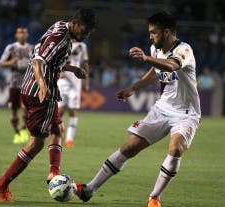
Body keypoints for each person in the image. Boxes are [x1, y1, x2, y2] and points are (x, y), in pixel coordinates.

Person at [76, 11, 201, 207]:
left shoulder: (184, 50)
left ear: (167, 32)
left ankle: (154, 198)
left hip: (186, 113)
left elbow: (171, 66)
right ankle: (89, 189)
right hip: (162, 108)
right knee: (129, 147)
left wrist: (144, 58)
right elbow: (155, 71)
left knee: (175, 147)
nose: (150, 36)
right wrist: (133, 88)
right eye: (150, 32)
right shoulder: (155, 49)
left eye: (154, 32)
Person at [0, 8, 96, 202]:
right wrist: (41, 84)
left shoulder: (60, 26)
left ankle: (53, 173)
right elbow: (38, 61)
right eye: (86, 30)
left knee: (58, 129)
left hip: (34, 89)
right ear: (77, 23)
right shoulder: (61, 38)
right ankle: (1, 184)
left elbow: (50, 60)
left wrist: (73, 69)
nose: (86, 35)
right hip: (40, 92)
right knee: (37, 142)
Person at [0, 27, 34, 144]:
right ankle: (16, 132)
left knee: (27, 109)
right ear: (16, 35)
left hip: (27, 84)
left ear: (27, 35)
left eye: (24, 32)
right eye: (20, 32)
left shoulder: (32, 49)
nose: (22, 35)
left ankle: (24, 129)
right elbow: (1, 63)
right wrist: (11, 62)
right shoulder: (11, 48)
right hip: (14, 84)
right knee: (13, 111)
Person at [57, 40, 90, 147]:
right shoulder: (63, 43)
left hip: (76, 82)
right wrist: (59, 71)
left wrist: (86, 81)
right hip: (63, 81)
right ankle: (57, 135)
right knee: (59, 111)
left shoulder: (82, 46)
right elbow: (55, 59)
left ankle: (69, 139)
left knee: (73, 110)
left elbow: (85, 63)